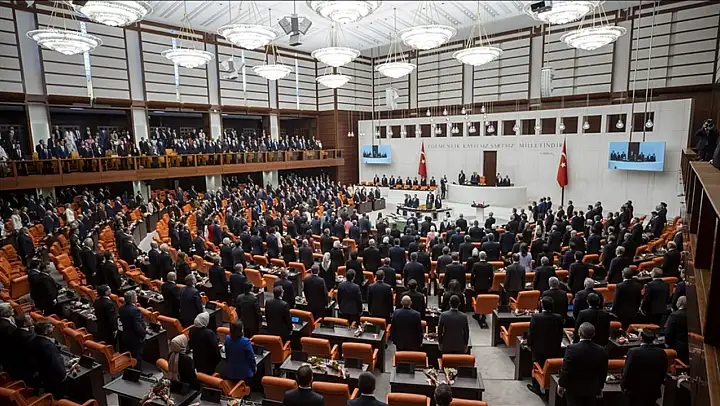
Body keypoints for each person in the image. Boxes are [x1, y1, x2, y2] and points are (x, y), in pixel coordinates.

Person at [557, 323, 608, 406]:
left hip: (574, 389)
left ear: (579, 333)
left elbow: (566, 370)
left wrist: (561, 384)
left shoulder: (571, 349)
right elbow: (603, 372)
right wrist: (600, 387)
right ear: (593, 334)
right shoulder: (601, 350)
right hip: (592, 389)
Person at [527, 297, 564, 394]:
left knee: (537, 366)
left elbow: (531, 333)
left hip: (538, 348)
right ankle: (548, 387)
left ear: (541, 305)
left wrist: (529, 344)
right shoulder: (558, 317)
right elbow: (560, 333)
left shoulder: (536, 317)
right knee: (550, 368)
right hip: (554, 347)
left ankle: (536, 387)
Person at [621, 330, 668, 406]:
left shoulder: (633, 352)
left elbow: (627, 372)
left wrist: (623, 386)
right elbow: (663, 372)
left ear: (641, 338)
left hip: (636, 391)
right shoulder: (661, 352)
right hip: (653, 390)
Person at [31, 321, 67, 397]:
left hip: (44, 374)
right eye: (51, 327)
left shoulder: (35, 339)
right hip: (54, 378)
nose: (53, 327)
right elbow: (55, 363)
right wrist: (64, 375)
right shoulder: (47, 345)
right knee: (58, 394)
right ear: (45, 331)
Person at [119, 290, 146, 369]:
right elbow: (137, 326)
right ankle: (137, 373)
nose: (137, 297)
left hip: (126, 335)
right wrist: (144, 333)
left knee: (130, 355)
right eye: (135, 296)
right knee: (137, 357)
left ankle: (131, 370)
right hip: (135, 338)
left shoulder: (121, 308)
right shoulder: (135, 310)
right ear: (132, 299)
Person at [7, 315, 35, 385]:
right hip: (28, 366)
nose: (32, 319)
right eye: (29, 319)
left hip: (17, 363)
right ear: (25, 324)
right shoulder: (27, 336)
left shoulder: (14, 332)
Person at [665, 296, 688, 363]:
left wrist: (667, 342)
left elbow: (669, 332)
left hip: (677, 347)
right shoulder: (692, 314)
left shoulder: (674, 315)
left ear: (679, 303)